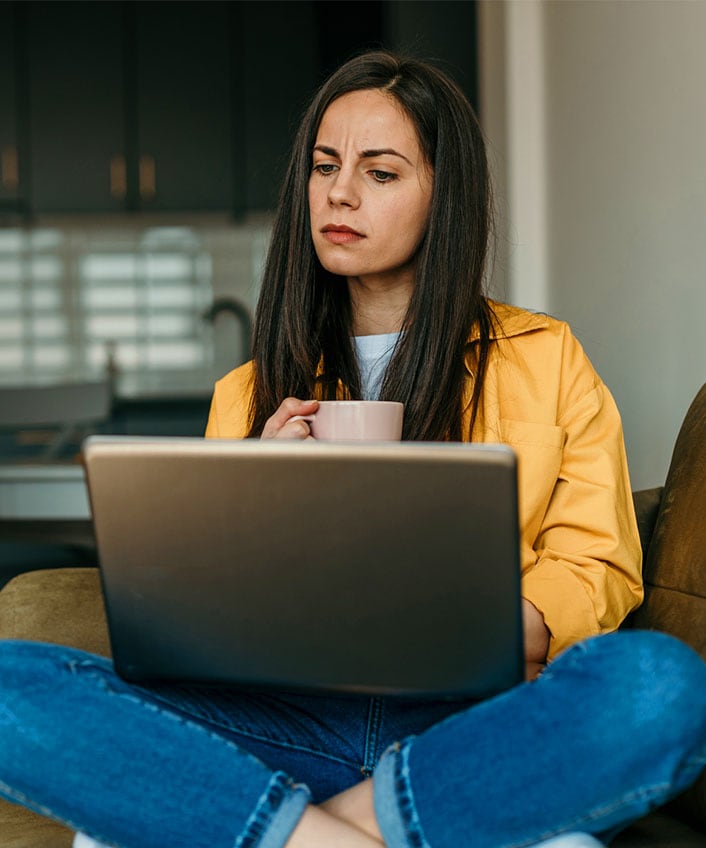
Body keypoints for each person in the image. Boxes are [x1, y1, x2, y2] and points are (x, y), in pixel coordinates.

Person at [1, 50, 705, 848]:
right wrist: (254, 505)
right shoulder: (248, 391)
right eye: (325, 166)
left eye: (380, 172)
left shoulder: (546, 359)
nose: (339, 192)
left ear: (444, 195)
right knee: (8, 686)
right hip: (286, 720)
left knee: (659, 686)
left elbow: (599, 567)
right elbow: (204, 632)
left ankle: (302, 829)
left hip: (469, 724)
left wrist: (474, 630)